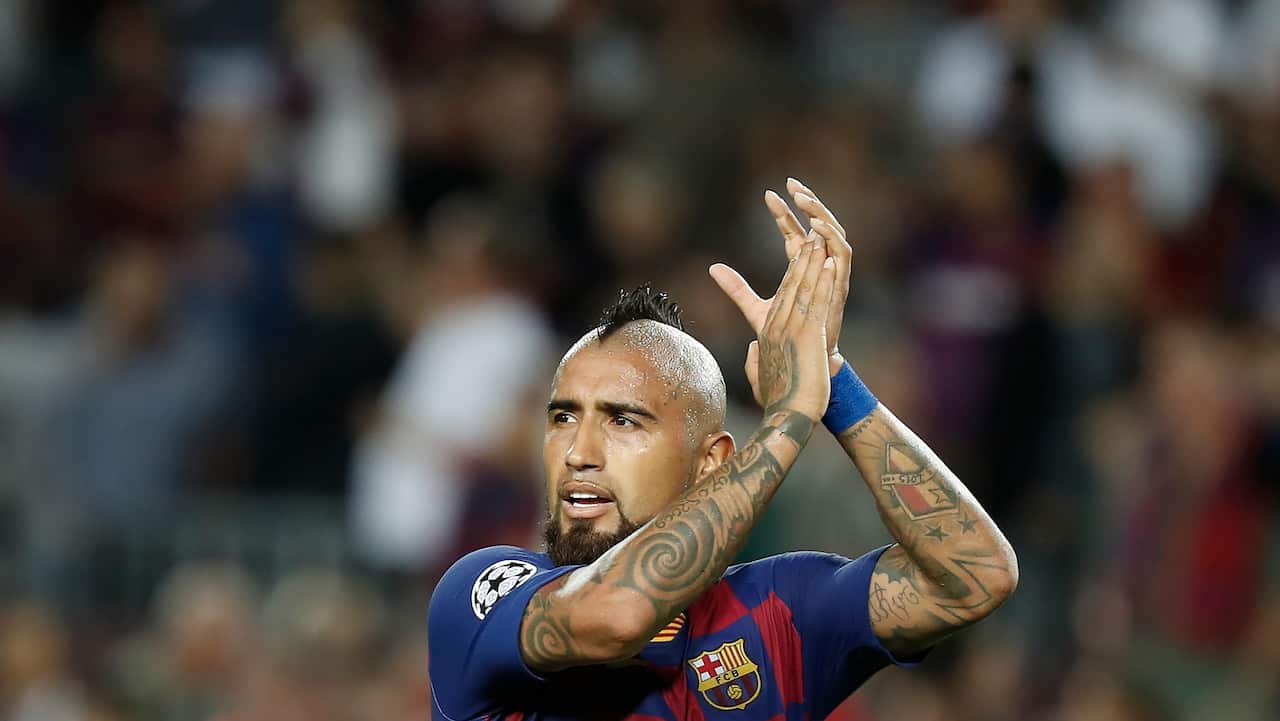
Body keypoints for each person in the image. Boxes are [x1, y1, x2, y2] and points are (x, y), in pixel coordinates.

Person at [427, 179, 1018, 719]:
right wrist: (789, 418)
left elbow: (974, 577)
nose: (580, 451)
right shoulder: (482, 593)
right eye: (563, 418)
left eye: (623, 421)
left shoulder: (782, 615)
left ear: (710, 462)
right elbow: (616, 615)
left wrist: (832, 384)